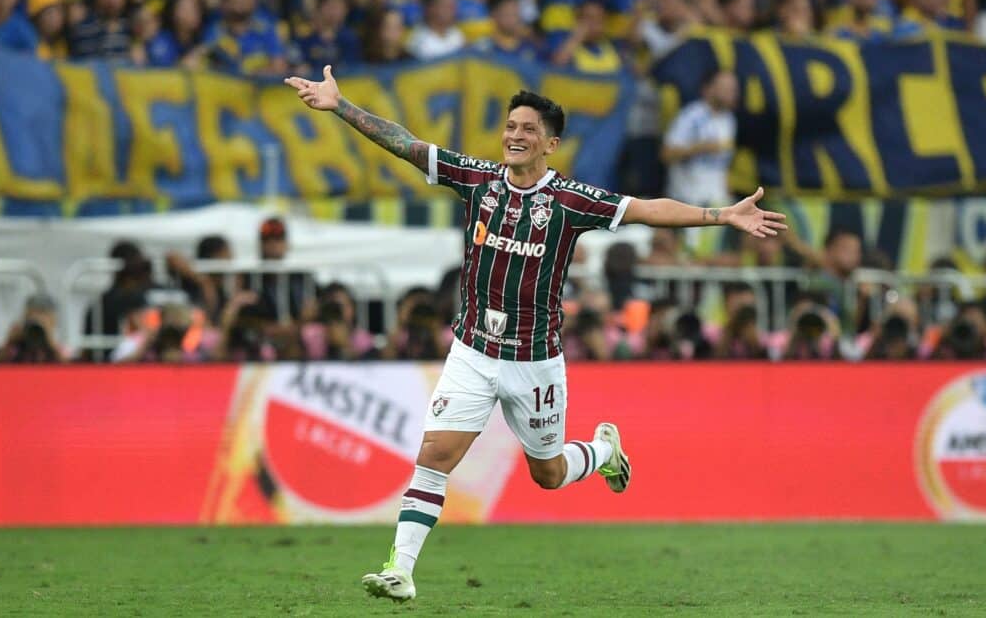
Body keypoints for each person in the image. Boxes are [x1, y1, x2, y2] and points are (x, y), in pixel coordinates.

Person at [284, 63, 786, 602]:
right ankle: (401, 571)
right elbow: (406, 144)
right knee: (434, 455)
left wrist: (720, 215)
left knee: (546, 474)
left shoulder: (570, 201)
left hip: (534, 362)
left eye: (528, 130)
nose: (515, 136)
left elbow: (648, 210)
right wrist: (341, 106)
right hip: (473, 351)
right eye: (510, 126)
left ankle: (601, 450)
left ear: (551, 143)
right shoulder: (476, 178)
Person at [660, 69, 739, 208]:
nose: (732, 93)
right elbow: (666, 154)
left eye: (734, 89)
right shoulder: (691, 116)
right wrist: (700, 148)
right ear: (708, 89)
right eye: (725, 88)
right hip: (688, 200)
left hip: (717, 201)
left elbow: (723, 165)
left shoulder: (729, 120)